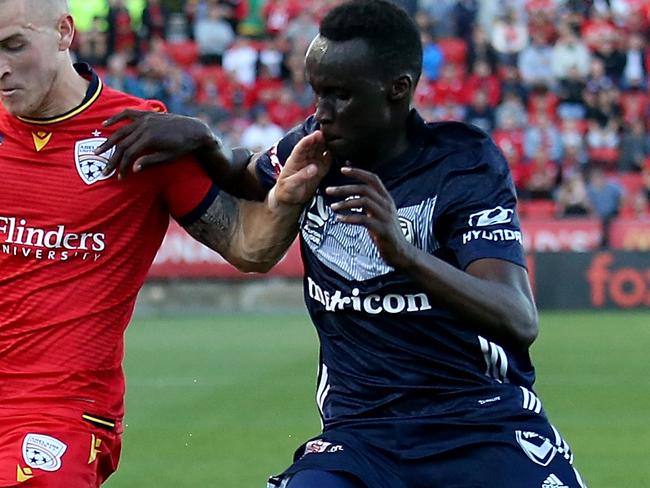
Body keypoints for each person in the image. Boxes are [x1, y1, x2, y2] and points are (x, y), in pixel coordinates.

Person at [96, 1, 588, 487]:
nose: (322, 112)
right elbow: (248, 176)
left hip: (480, 422)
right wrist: (203, 140)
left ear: (399, 90)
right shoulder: (316, 147)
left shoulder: (464, 165)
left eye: (340, 96)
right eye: (316, 93)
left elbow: (518, 319)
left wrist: (403, 252)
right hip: (361, 436)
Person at [0, 1, 323, 486]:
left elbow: (247, 244)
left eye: (14, 45)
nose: (0, 67)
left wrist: (288, 195)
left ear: (65, 32)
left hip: (57, 414)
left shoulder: (141, 137)